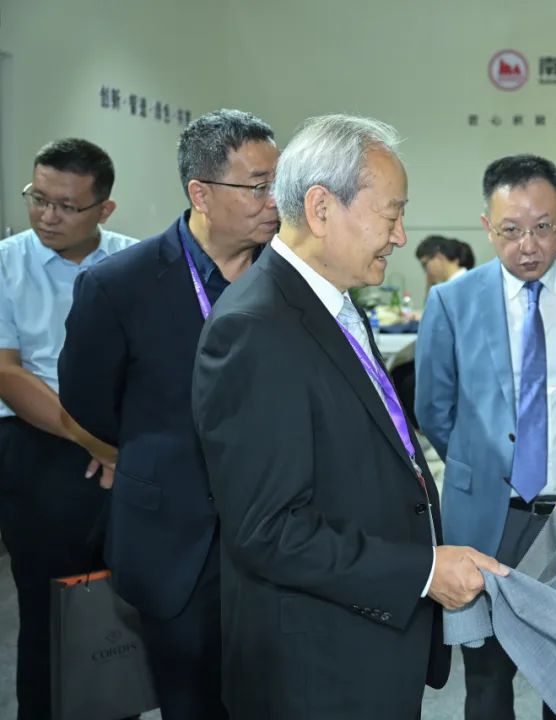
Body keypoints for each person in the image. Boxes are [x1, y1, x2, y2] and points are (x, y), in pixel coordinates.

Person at [190, 114, 504, 720]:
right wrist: (423, 571)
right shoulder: (255, 329)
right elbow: (269, 530)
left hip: (365, 641)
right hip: (316, 668)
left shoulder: (327, 303)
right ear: (321, 208)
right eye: (391, 215)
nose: (401, 236)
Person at [59, 109, 279, 719]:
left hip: (280, 541)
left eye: (279, 184)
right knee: (191, 702)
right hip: (174, 543)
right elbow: (88, 403)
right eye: (257, 186)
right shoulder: (119, 285)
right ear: (200, 194)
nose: (274, 201)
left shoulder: (292, 280)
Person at [415, 154, 556, 720]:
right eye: (511, 230)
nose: (528, 245)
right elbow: (433, 408)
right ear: (487, 227)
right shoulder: (452, 301)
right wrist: (481, 466)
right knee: (487, 679)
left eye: (543, 227)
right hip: (489, 517)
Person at [0, 138, 138, 719]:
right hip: (40, 448)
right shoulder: (7, 262)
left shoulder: (138, 263)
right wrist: (92, 441)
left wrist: (120, 447)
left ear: (104, 209)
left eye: (66, 206)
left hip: (130, 449)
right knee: (48, 610)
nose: (47, 216)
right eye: (37, 198)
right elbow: (7, 373)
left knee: (124, 606)